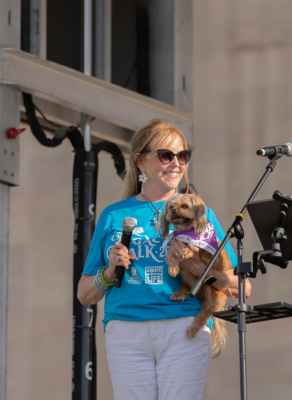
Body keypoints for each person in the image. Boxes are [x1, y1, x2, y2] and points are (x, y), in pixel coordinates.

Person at [77, 119, 251, 400]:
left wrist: (198, 268)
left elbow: (241, 288)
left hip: (183, 327)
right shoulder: (114, 215)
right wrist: (108, 273)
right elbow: (85, 294)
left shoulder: (199, 212)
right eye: (166, 155)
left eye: (183, 156)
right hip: (125, 331)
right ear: (141, 162)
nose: (176, 163)